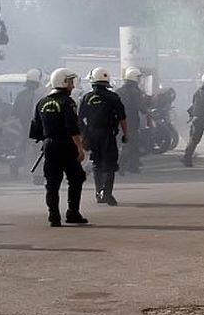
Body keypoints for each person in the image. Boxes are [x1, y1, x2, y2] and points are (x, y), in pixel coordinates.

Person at [31, 68, 87, 226]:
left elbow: (36, 130)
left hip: (49, 145)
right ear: (63, 82)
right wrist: (80, 148)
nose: (72, 85)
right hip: (67, 145)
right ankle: (72, 213)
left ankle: (53, 215)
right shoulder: (68, 102)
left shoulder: (42, 102)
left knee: (52, 182)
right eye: (70, 81)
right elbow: (72, 128)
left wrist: (48, 140)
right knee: (76, 178)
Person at [79, 67, 127, 206]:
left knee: (97, 163)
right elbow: (122, 118)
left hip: (92, 135)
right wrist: (126, 134)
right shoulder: (113, 97)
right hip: (108, 135)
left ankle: (98, 193)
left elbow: (80, 118)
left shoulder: (86, 98)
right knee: (110, 165)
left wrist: (84, 135)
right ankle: (107, 194)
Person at [11, 69, 42, 179]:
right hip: (35, 127)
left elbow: (14, 112)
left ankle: (15, 166)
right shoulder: (40, 95)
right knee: (36, 150)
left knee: (21, 148)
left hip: (23, 126)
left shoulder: (21, 95)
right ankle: (36, 173)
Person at [116, 67, 147, 175]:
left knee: (132, 144)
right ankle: (122, 167)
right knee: (130, 144)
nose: (139, 79)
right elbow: (140, 106)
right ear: (134, 77)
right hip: (131, 121)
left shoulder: (119, 91)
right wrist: (146, 109)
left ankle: (133, 166)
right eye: (138, 77)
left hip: (120, 121)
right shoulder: (135, 91)